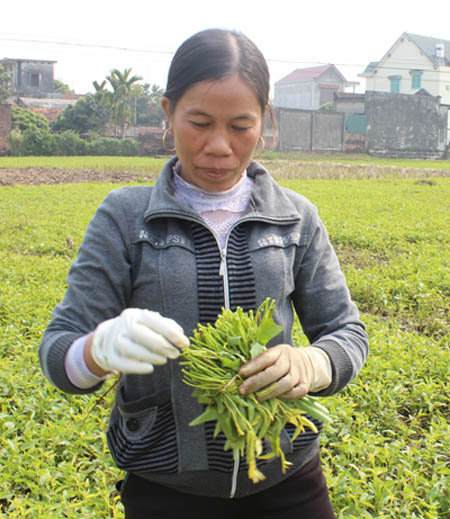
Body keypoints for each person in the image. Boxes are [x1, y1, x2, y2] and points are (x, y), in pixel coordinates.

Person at [39, 28, 369, 519]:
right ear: (168, 113)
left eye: (240, 125)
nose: (219, 146)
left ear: (266, 120)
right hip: (167, 488)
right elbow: (58, 348)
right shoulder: (126, 218)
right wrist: (95, 350)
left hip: (287, 478)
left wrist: (313, 364)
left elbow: (347, 332)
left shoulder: (296, 218)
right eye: (199, 122)